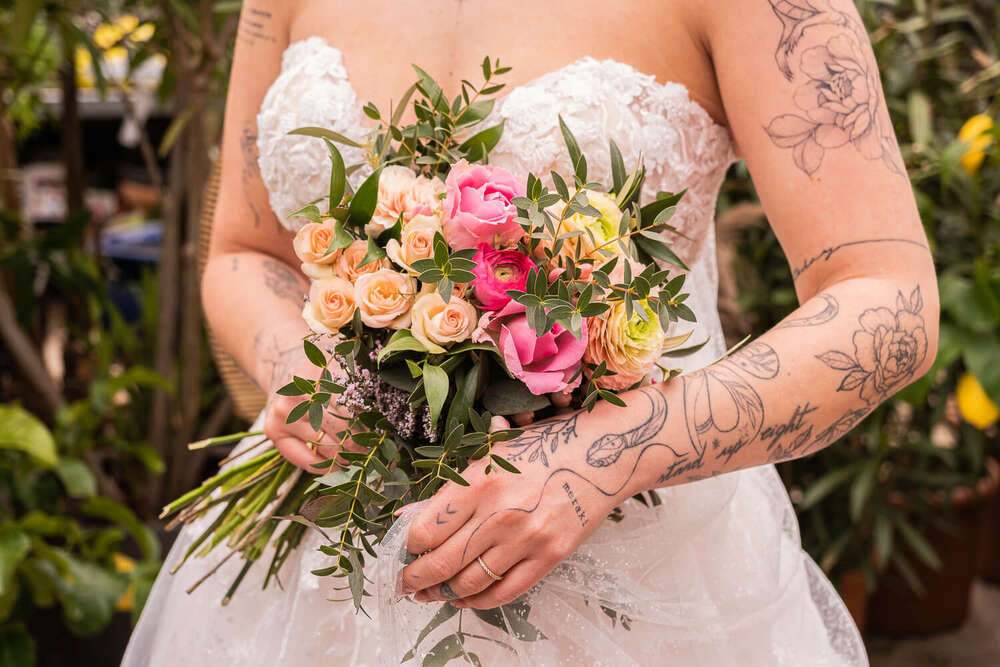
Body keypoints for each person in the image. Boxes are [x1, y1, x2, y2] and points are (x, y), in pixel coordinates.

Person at [124, 0, 937, 664]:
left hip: (635, 580)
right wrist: (293, 362)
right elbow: (243, 250)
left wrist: (602, 456)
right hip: (313, 567)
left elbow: (887, 297)